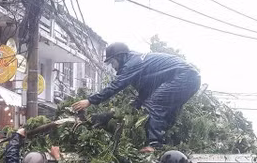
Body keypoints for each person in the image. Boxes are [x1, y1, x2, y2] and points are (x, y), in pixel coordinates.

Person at [71, 43, 201, 153]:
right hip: (190, 78)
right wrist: (113, 114)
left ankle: (155, 145)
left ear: (120, 56)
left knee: (155, 104)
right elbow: (144, 95)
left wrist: (90, 100)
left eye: (112, 62)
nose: (112, 66)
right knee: (165, 109)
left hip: (185, 76)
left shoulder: (132, 63)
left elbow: (116, 86)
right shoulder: (139, 63)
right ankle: (166, 144)